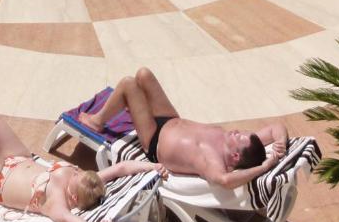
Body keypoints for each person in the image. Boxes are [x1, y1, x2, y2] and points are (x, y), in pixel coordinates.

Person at [0, 110, 166, 222]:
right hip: (20, 159)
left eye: (75, 174)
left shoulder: (57, 203)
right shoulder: (87, 183)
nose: (75, 171)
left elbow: (71, 220)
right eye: (77, 171)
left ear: (73, 197)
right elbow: (121, 169)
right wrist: (153, 167)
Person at [78, 68, 287, 189]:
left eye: (239, 136)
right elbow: (276, 127)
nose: (236, 131)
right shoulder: (242, 146)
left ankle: (98, 121)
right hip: (170, 118)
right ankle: (130, 106)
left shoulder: (213, 161)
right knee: (143, 75)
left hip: (154, 140)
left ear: (234, 157)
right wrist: (280, 144)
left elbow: (225, 181)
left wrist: (265, 167)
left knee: (128, 84)